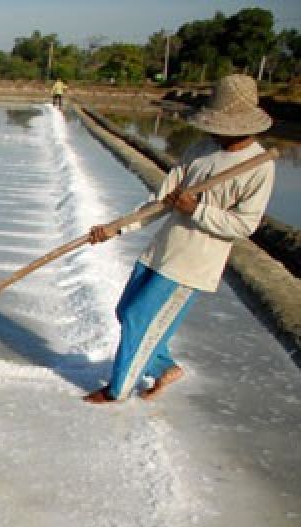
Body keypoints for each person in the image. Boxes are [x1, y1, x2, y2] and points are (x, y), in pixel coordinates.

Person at [83, 74, 275, 405]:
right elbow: (163, 200)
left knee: (138, 320)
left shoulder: (258, 167)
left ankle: (118, 391)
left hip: (192, 262)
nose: (215, 132)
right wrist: (118, 227)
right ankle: (165, 368)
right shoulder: (201, 149)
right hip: (163, 248)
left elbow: (245, 225)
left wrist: (198, 209)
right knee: (126, 311)